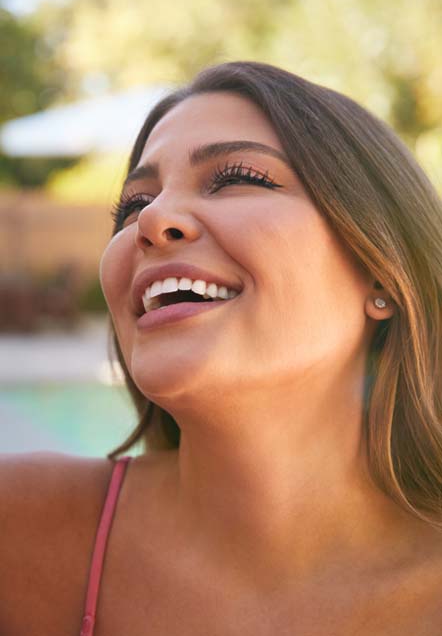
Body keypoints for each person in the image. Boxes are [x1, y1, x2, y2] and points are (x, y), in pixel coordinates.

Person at [1, 60, 441, 635]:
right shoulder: (21, 532)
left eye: (238, 178)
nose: (152, 219)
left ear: (382, 272)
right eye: (132, 206)